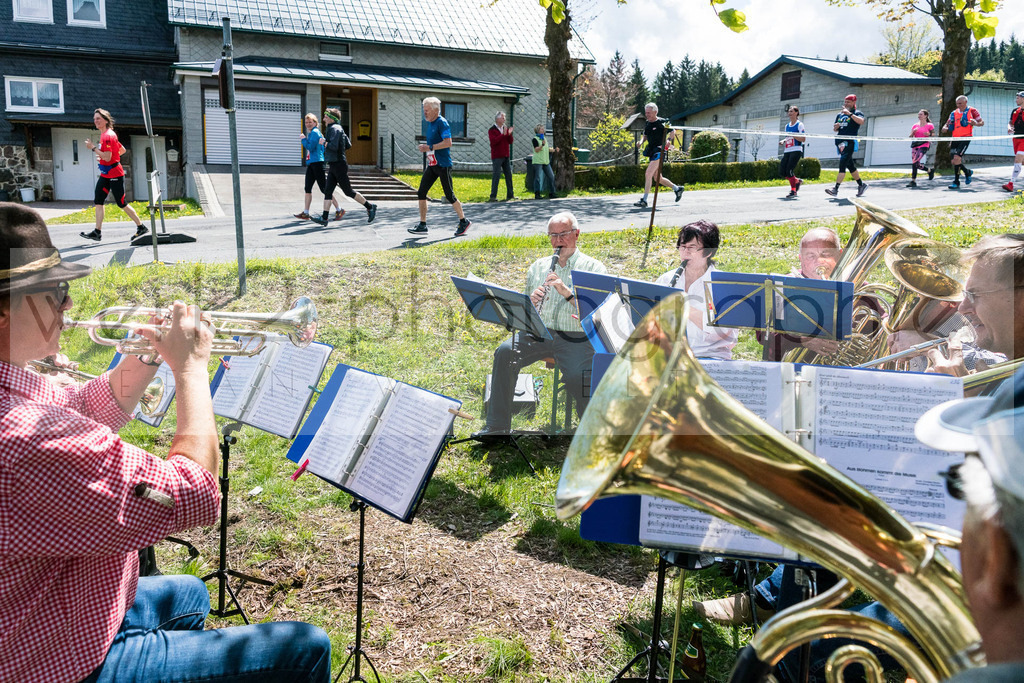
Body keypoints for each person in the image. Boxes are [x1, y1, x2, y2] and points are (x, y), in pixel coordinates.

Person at [0, 202, 332, 682]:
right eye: (55, 293)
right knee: (306, 649)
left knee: (190, 595)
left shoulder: (17, 389)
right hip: (53, 662)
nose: (68, 305)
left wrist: (149, 356)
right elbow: (195, 493)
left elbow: (83, 406)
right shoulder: (28, 437)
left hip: (48, 602)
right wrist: (191, 368)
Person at [473, 211, 606, 437]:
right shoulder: (538, 267)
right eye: (553, 236)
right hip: (539, 331)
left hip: (575, 336)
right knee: (505, 352)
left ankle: (591, 434)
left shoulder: (594, 268)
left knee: (578, 376)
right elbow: (524, 311)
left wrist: (566, 292)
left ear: (577, 234)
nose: (557, 241)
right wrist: (531, 303)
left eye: (563, 234)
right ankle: (496, 427)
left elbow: (596, 312)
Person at [653, 220, 738, 359]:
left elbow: (723, 332)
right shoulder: (666, 280)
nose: (685, 252)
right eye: (682, 246)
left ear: (708, 252)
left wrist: (685, 307)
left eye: (692, 247)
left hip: (709, 356)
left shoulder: (723, 285)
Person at [79, 108, 148, 242]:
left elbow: (108, 156)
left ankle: (141, 227)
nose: (96, 121)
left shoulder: (108, 136)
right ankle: (97, 232)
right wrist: (105, 158)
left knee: (121, 203)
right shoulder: (107, 134)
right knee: (98, 200)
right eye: (94, 119)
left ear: (105, 120)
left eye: (98, 119)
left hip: (115, 174)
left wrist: (93, 148)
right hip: (106, 174)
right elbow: (121, 150)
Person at [408, 97, 471, 237]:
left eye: (427, 110)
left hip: (443, 165)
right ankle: (422, 224)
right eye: (423, 110)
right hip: (433, 164)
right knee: (421, 192)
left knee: (449, 195)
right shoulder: (430, 123)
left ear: (436, 111)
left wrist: (429, 147)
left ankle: (464, 221)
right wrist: (427, 148)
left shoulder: (442, 123)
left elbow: (448, 142)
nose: (424, 113)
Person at [309, 108, 377, 227]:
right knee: (328, 191)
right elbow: (348, 145)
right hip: (334, 164)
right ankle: (324, 218)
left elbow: (334, 146)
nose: (323, 119)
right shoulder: (338, 128)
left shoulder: (334, 129)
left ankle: (370, 206)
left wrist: (324, 143)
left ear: (331, 118)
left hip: (339, 165)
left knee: (348, 191)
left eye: (325, 117)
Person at [634, 103, 684, 208]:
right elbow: (645, 136)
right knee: (658, 178)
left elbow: (673, 131)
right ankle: (677, 189)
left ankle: (644, 200)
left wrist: (669, 140)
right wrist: (640, 142)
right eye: (646, 112)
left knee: (648, 173)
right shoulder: (647, 123)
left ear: (655, 112)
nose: (647, 114)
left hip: (659, 151)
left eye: (649, 113)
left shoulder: (662, 122)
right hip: (651, 151)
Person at [294, 112, 342, 221]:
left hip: (317, 163)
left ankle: (339, 209)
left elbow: (310, 147)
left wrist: (303, 139)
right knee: (308, 188)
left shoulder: (315, 133)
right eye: (306, 122)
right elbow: (320, 148)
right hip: (312, 163)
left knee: (324, 189)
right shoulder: (313, 133)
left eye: (310, 122)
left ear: (315, 123)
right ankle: (306, 213)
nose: (308, 124)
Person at [825, 95, 867, 198]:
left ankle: (835, 189)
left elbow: (861, 121)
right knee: (850, 166)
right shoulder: (840, 115)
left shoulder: (857, 113)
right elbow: (835, 129)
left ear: (854, 102)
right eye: (845, 102)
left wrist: (849, 114)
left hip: (849, 142)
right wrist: (836, 127)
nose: (846, 104)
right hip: (840, 143)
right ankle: (861, 185)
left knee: (842, 164)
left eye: (848, 102)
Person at [942, 95, 984, 190]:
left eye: (960, 103)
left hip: (965, 138)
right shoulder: (953, 113)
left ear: (966, 102)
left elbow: (982, 122)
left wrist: (976, 123)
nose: (958, 105)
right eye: (957, 104)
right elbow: (947, 123)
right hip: (955, 139)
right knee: (954, 161)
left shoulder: (972, 111)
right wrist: (944, 127)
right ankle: (967, 172)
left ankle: (956, 182)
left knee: (957, 158)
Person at [779, 106, 806, 199]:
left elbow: (803, 139)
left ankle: (793, 191)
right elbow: (788, 137)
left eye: (791, 111)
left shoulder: (799, 125)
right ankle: (797, 181)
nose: (789, 113)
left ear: (796, 113)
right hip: (788, 150)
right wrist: (783, 141)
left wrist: (794, 136)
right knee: (782, 171)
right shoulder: (787, 126)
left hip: (796, 149)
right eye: (789, 112)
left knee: (789, 170)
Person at [488, 111, 515, 202]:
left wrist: (509, 134)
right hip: (497, 156)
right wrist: (502, 135)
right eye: (503, 118)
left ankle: (510, 195)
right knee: (496, 175)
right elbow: (494, 142)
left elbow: (510, 141)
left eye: (504, 118)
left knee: (508, 175)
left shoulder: (505, 128)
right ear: (498, 119)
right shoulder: (492, 130)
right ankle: (493, 196)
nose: (504, 119)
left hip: (506, 155)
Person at [908, 109, 935, 188]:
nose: (919, 116)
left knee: (915, 161)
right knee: (915, 163)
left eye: (921, 114)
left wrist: (928, 134)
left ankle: (913, 181)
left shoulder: (929, 125)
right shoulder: (915, 125)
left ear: (925, 116)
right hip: (915, 145)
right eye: (918, 114)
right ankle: (929, 170)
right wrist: (913, 132)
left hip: (924, 144)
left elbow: (933, 134)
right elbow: (910, 136)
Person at [1004, 90, 1024, 193]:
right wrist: (1009, 127)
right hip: (1016, 139)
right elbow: (1011, 122)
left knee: (1017, 160)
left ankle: (1011, 184)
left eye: (1018, 98)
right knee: (1022, 162)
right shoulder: (1015, 111)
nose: (1016, 100)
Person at [532, 124, 558, 200]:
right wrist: (542, 145)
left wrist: (554, 150)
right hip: (538, 161)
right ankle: (537, 194)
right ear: (538, 130)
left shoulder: (544, 139)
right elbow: (536, 149)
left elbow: (547, 149)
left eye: (543, 129)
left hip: (546, 161)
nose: (543, 130)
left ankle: (552, 193)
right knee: (537, 178)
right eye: (541, 129)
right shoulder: (535, 139)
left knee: (551, 176)